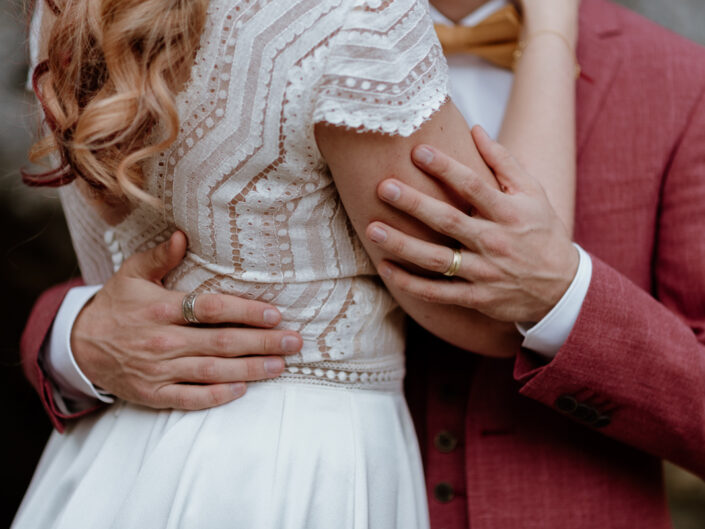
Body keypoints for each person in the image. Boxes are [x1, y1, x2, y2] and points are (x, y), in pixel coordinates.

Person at [14, 0, 581, 528]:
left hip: (104, 470)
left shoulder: (68, 10)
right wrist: (553, 35)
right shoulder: (354, 12)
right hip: (292, 470)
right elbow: (513, 294)